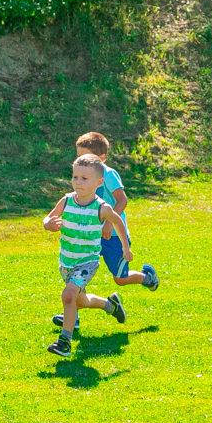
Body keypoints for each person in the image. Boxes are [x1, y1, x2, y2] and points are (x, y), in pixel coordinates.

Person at [51, 132, 160, 330]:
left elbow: (122, 200)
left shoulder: (108, 175)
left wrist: (109, 223)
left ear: (100, 159)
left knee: (120, 278)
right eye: (78, 156)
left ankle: (147, 277)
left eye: (86, 156)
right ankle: (72, 317)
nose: (80, 160)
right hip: (92, 235)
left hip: (113, 236)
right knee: (78, 269)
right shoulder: (82, 177)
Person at [43, 154, 133, 357]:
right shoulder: (66, 201)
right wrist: (48, 224)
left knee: (68, 295)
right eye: (75, 177)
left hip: (87, 262)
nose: (78, 182)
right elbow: (49, 216)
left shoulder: (102, 207)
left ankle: (64, 342)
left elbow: (118, 222)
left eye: (84, 179)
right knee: (79, 301)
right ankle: (110, 305)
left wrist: (125, 248)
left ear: (99, 182)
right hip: (66, 262)